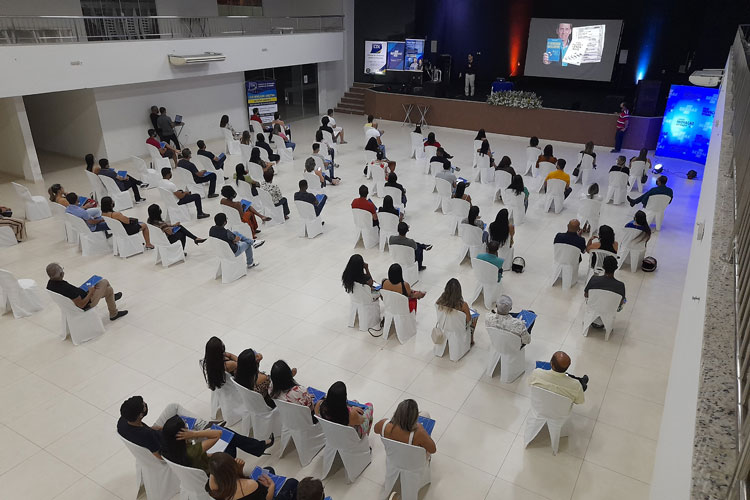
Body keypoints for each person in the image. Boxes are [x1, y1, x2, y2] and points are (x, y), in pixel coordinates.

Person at [160, 415, 270, 474]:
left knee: (229, 434)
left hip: (201, 465)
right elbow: (218, 434)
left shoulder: (167, 448)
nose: (189, 429)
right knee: (228, 436)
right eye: (186, 428)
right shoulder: (192, 451)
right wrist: (194, 433)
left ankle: (259, 447)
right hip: (215, 470)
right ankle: (259, 447)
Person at [117, 396, 218, 459]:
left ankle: (203, 425)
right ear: (140, 415)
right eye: (144, 406)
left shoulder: (122, 421)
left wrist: (160, 429)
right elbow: (161, 457)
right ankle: (204, 429)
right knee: (195, 433)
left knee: (173, 407)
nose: (146, 405)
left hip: (156, 433)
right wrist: (171, 434)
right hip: (168, 445)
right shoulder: (147, 436)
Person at [46, 262, 127, 320]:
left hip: (77, 298)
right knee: (105, 283)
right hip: (86, 304)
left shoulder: (50, 284)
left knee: (108, 290)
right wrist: (91, 292)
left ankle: (112, 304)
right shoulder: (67, 288)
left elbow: (72, 295)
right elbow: (81, 305)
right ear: (61, 274)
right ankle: (113, 311)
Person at [206, 452, 299, 500]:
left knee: (269, 469)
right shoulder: (252, 485)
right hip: (261, 495)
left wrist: (239, 471)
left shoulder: (212, 488)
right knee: (292, 482)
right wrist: (271, 487)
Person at [436, 278, 477, 345]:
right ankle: (471, 339)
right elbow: (468, 320)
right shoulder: (463, 305)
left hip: (445, 325)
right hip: (459, 328)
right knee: (475, 314)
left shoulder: (440, 301)